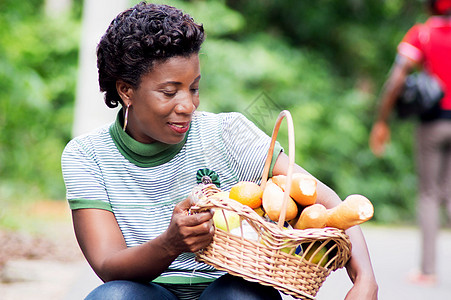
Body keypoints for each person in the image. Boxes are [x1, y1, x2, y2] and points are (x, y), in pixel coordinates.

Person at [62, 2, 378, 299]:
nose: (187, 105)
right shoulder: (87, 155)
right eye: (170, 91)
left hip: (226, 286)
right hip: (146, 289)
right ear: (126, 90)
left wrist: (364, 278)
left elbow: (327, 201)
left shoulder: (226, 133)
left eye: (194, 88)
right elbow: (108, 263)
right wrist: (170, 244)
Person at [369, 0, 451, 286]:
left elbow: (396, 79)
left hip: (432, 125)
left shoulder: (423, 34)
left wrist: (381, 121)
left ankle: (428, 271)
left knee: (429, 194)